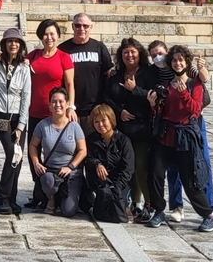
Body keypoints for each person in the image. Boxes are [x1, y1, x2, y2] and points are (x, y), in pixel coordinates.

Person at [145, 45, 213, 232]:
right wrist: (154, 105)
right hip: (166, 136)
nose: (177, 63)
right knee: (156, 174)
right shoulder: (169, 85)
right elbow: (164, 111)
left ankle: (208, 214)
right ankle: (159, 211)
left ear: (186, 62)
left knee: (189, 179)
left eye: (180, 60)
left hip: (185, 137)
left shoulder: (195, 84)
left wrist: (184, 92)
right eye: (174, 60)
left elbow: (195, 109)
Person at [25, 19, 75, 208]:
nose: (49, 37)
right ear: (40, 36)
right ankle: (40, 193)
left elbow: (70, 84)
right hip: (35, 112)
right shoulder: (34, 56)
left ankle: (57, 191)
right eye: (45, 34)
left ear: (58, 36)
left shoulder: (64, 57)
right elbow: (15, 63)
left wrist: (71, 106)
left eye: (52, 33)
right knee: (34, 153)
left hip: (56, 114)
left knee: (55, 154)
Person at [105, 37, 155, 222]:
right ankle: (131, 202)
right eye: (125, 52)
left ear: (139, 53)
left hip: (142, 128)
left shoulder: (148, 73)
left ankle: (149, 204)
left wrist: (135, 89)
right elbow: (107, 96)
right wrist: (119, 111)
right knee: (126, 166)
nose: (129, 55)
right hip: (123, 128)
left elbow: (154, 95)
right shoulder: (116, 74)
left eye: (133, 51)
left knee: (141, 167)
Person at [0, 27, 32, 215]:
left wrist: (21, 125)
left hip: (17, 116)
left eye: (16, 41)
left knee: (18, 159)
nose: (13, 44)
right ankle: (3, 198)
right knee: (12, 153)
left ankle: (12, 198)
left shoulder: (24, 67)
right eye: (9, 41)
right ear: (4, 44)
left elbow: (26, 97)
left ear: (21, 45)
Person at [29, 87, 87, 217]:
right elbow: (33, 145)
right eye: (54, 102)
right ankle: (52, 199)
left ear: (67, 104)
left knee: (69, 211)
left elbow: (83, 150)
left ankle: (64, 196)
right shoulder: (43, 125)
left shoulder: (74, 126)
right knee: (48, 181)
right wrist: (36, 162)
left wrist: (70, 167)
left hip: (70, 173)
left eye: (61, 101)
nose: (57, 105)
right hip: (50, 171)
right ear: (49, 105)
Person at [83, 104, 134, 223]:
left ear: (111, 119)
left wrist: (116, 186)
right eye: (96, 122)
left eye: (103, 120)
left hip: (120, 181)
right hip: (101, 180)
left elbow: (128, 168)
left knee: (116, 201)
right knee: (105, 195)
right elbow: (88, 159)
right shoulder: (91, 139)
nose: (100, 125)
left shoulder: (123, 140)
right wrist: (97, 164)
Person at [59, 12, 113, 122]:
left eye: (85, 26)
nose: (81, 29)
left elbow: (109, 74)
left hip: (95, 110)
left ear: (91, 27)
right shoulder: (63, 49)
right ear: (72, 26)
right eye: (77, 25)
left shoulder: (99, 47)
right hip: (70, 110)